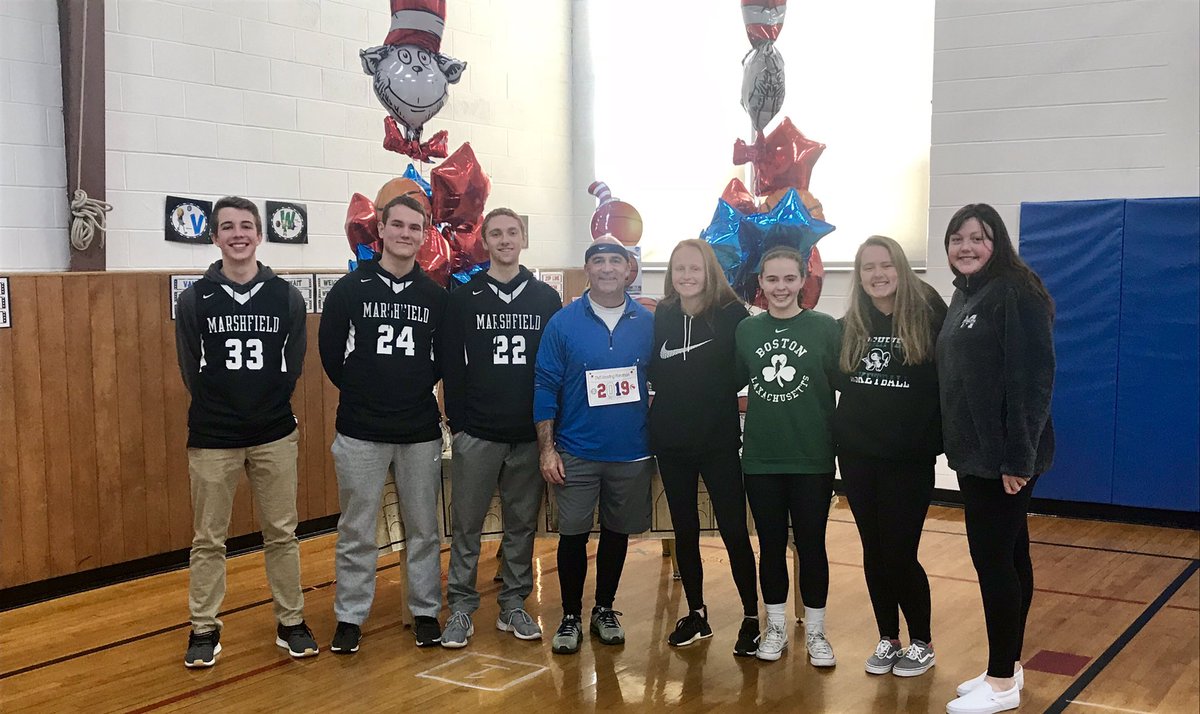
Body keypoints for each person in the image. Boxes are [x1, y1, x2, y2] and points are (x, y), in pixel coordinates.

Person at [175, 195, 317, 667]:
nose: (238, 234)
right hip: (213, 434)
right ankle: (203, 627)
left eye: (246, 226)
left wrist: (268, 402)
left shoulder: (286, 297)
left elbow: (292, 363)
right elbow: (190, 369)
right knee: (208, 538)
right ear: (215, 236)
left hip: (273, 431)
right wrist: (221, 407)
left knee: (281, 532)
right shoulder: (195, 298)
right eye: (228, 227)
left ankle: (291, 620)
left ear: (259, 234)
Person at [318, 195, 449, 653]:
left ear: (425, 233)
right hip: (360, 429)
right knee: (357, 528)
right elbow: (332, 357)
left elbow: (440, 363)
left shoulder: (435, 296)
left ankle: (425, 611)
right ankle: (350, 617)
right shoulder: (350, 290)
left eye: (415, 227)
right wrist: (365, 389)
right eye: (398, 225)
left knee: (424, 529)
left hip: (417, 430)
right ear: (382, 229)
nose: (406, 234)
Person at [938, 204, 1055, 714]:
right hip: (974, 456)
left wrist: (1017, 459)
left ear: (997, 243)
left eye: (978, 238)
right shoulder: (966, 296)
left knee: (993, 564)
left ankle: (1003, 683)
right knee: (1011, 557)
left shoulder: (1015, 292)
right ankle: (1006, 665)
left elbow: (1031, 381)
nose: (966, 246)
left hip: (1003, 459)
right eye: (957, 238)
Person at [439, 207, 562, 648]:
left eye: (513, 232)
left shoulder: (546, 299)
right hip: (478, 433)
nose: (505, 240)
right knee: (467, 525)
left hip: (529, 434)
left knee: (520, 525)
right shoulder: (463, 297)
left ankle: (513, 603)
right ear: (484, 241)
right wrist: (461, 424)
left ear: (523, 238)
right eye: (496, 233)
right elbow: (452, 367)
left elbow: (555, 369)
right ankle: (461, 608)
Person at [533, 238, 655, 655]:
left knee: (617, 534)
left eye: (615, 261)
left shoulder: (648, 322)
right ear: (587, 269)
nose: (606, 268)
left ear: (629, 270)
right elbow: (545, 386)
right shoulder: (563, 323)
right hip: (576, 451)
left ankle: (605, 608)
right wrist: (547, 449)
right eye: (597, 261)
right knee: (573, 535)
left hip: (631, 451)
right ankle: (569, 616)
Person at [834, 235, 948, 677]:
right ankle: (888, 637)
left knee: (899, 551)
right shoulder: (851, 324)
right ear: (859, 276)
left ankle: (922, 640)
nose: (877, 275)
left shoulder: (929, 314)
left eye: (885, 265)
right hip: (859, 456)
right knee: (873, 550)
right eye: (867, 268)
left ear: (900, 268)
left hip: (909, 457)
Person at [648, 239, 760, 656]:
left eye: (695, 268)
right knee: (685, 531)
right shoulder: (662, 314)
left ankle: (751, 617)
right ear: (671, 274)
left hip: (717, 441)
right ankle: (696, 613)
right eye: (680, 268)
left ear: (709, 270)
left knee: (734, 531)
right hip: (672, 442)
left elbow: (743, 372)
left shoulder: (732, 314)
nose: (687, 275)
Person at [734, 235, 841, 666]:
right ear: (760, 281)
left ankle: (815, 631)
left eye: (789, 279)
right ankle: (775, 626)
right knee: (771, 546)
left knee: (812, 545)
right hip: (760, 459)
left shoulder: (825, 328)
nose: (780, 286)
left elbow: (845, 386)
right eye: (772, 279)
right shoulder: (747, 330)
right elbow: (731, 383)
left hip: (812, 457)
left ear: (802, 282)